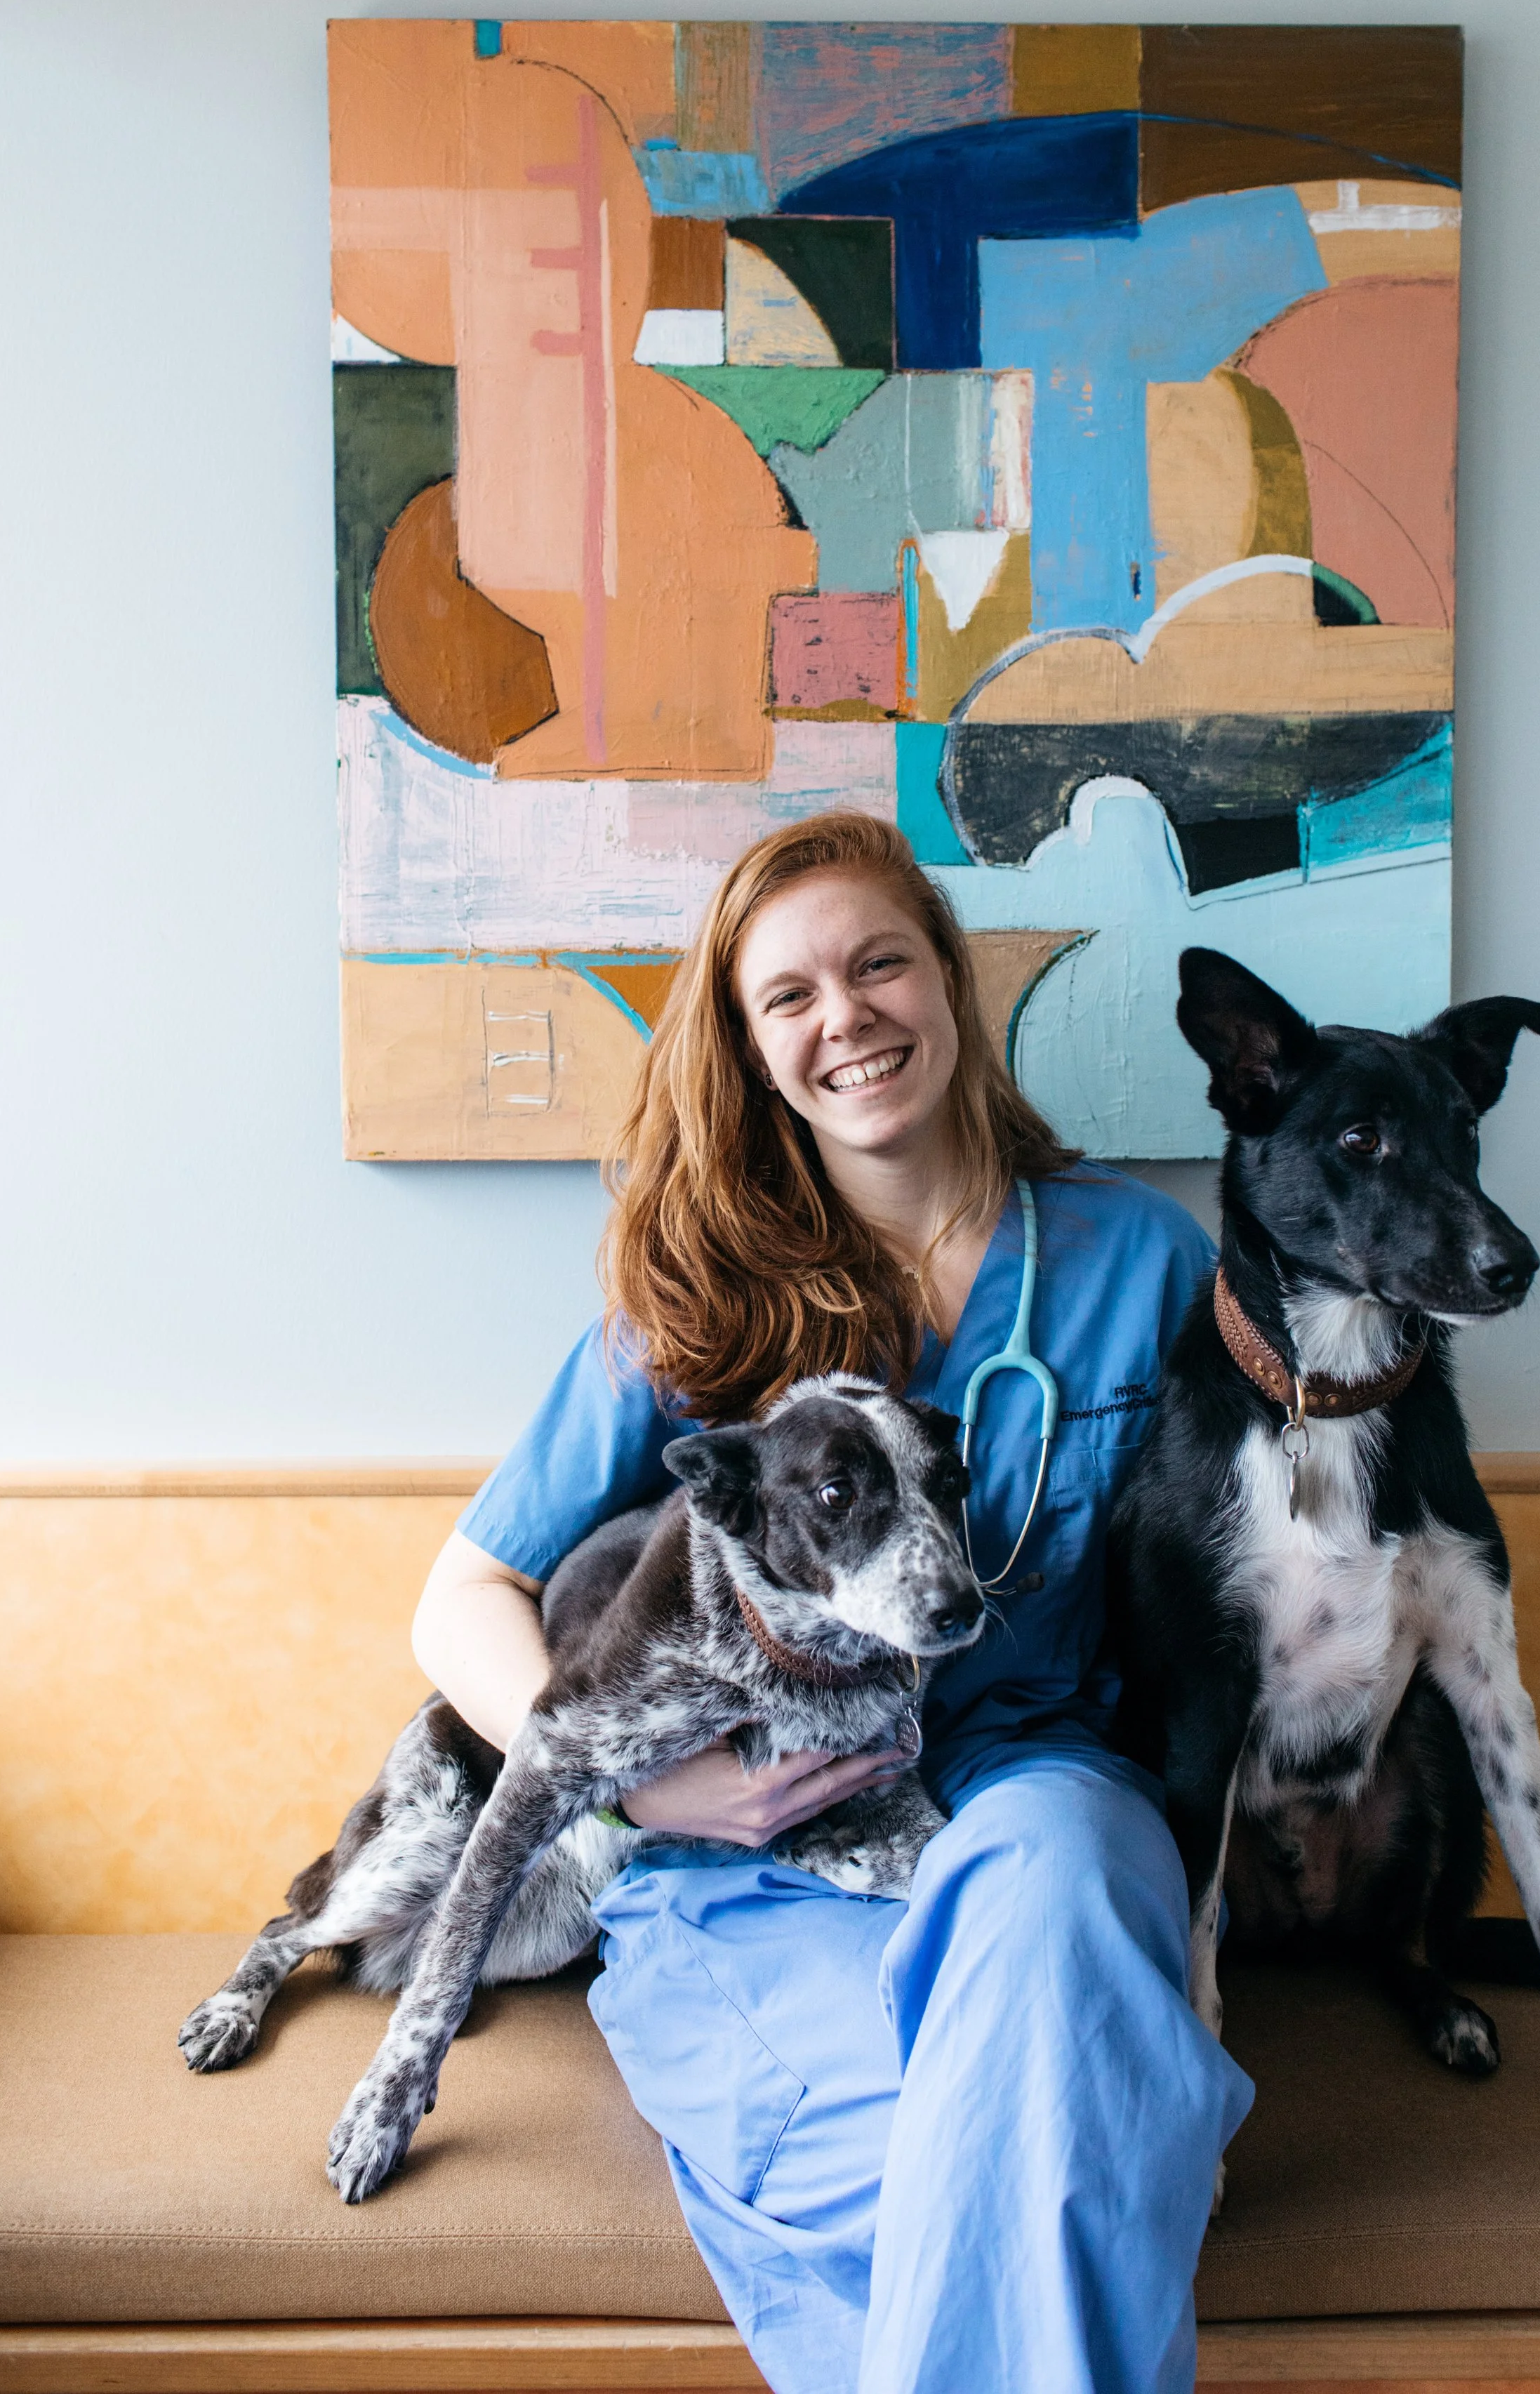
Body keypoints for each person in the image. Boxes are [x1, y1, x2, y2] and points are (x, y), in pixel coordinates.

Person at [411, 812, 1252, 2394]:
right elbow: (463, 1595)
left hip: (1028, 1802)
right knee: (1014, 2166)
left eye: (878, 963)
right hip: (754, 1863)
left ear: (948, 980)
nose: (843, 1015)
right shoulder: (693, 1297)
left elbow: (1253, 1563)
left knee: (1060, 1895)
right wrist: (647, 1779)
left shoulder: (1138, 1262)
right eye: (787, 996)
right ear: (748, 1047)